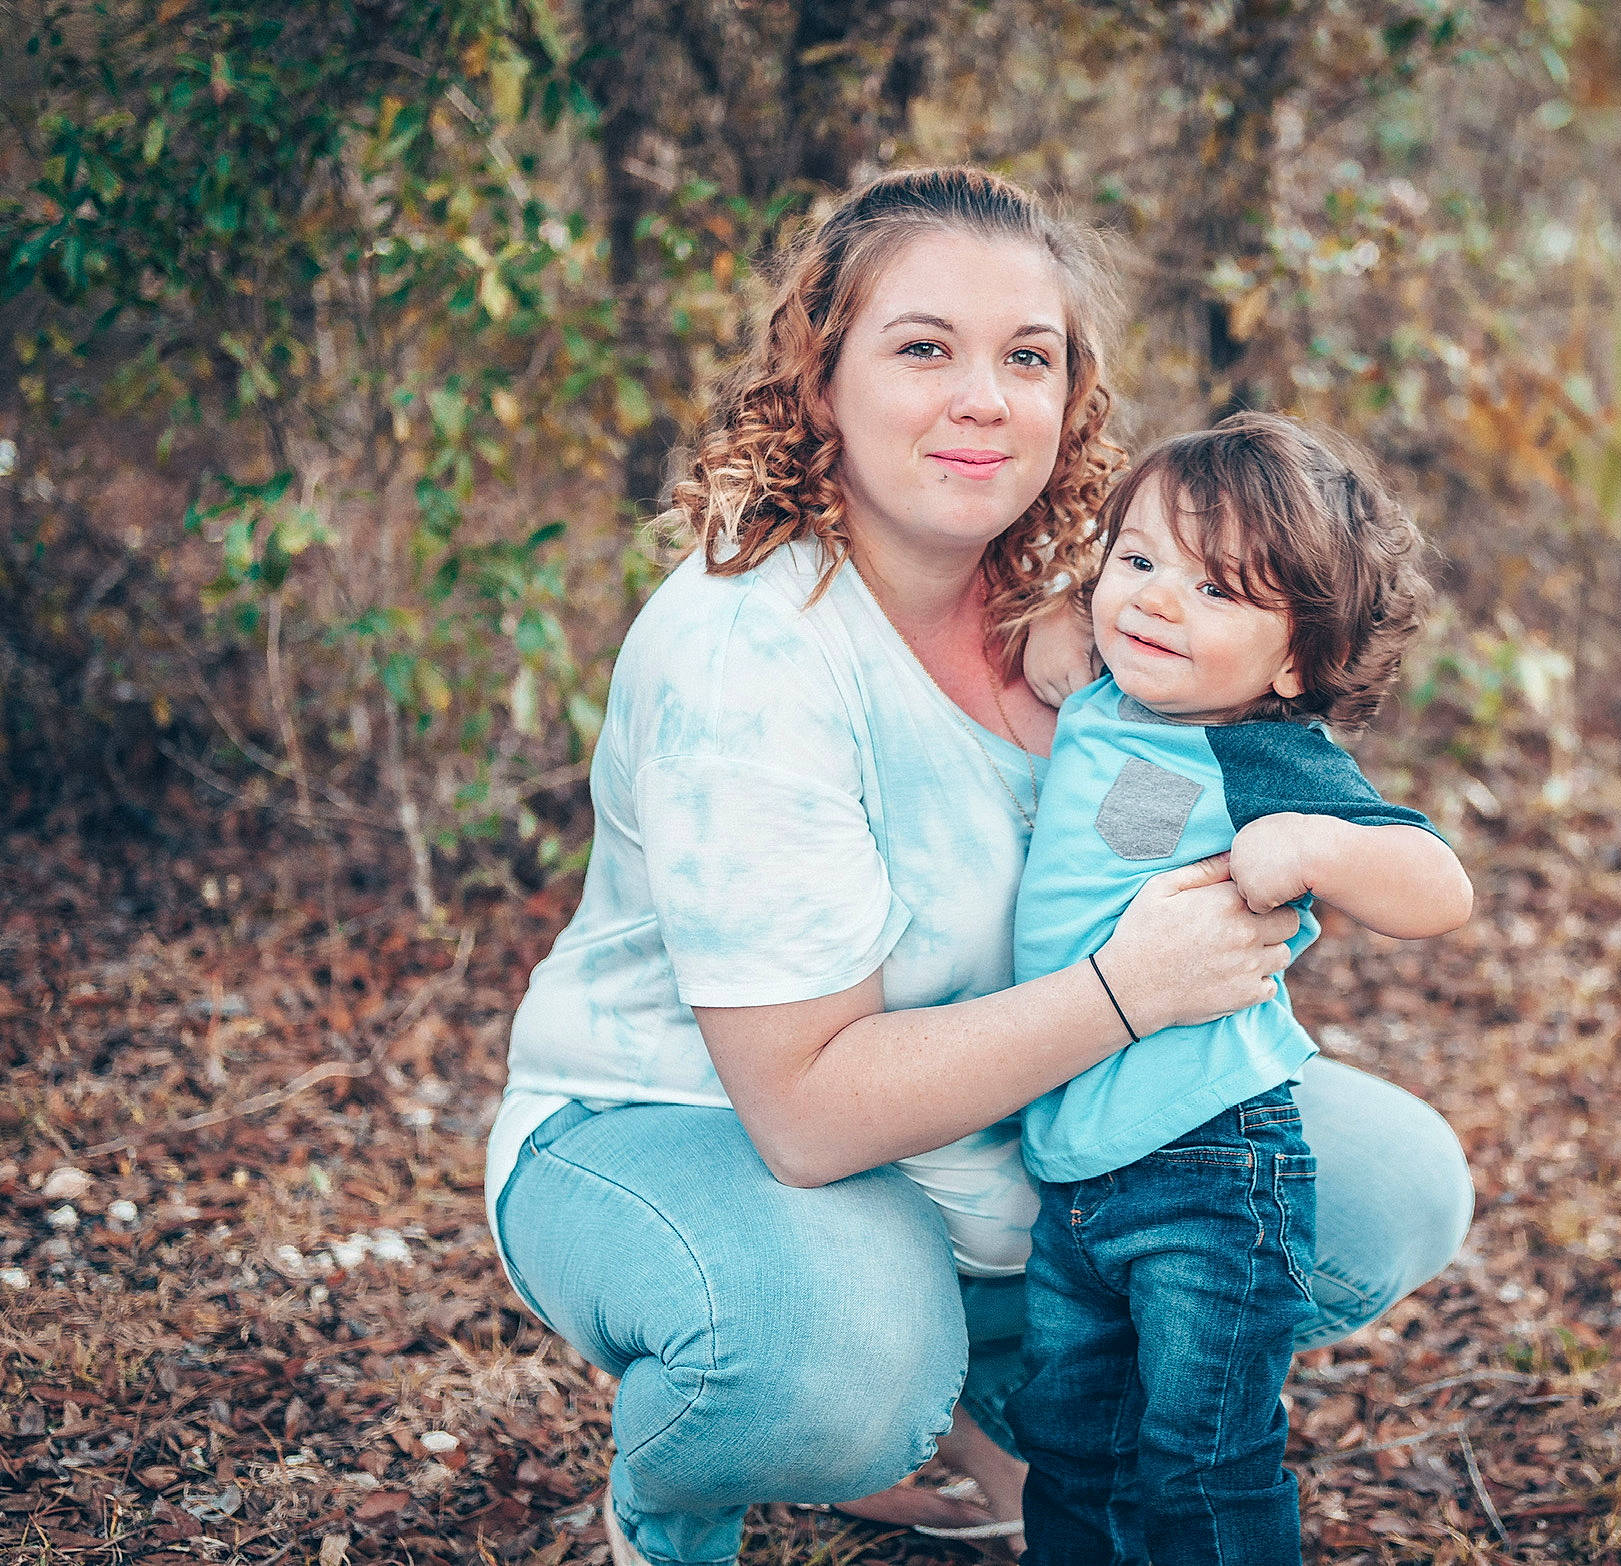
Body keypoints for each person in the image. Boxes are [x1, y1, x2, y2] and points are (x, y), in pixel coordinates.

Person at [485, 167, 1474, 1566]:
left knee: (1378, 1187)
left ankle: (1007, 1395)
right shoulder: (748, 657)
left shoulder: (1092, 603)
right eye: (922, 347)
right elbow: (809, 1118)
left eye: (1028, 356)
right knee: (834, 1364)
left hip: (993, 1133)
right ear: (821, 381)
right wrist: (1131, 993)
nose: (983, 398)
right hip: (689, 1124)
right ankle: (702, 1467)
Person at [1003, 414, 1471, 1565]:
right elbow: (1060, 637)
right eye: (1142, 561)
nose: (1158, 601)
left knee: (1201, 1455)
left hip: (1213, 1164)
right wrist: (1083, 616)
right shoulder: (1112, 692)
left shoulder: (1263, 754)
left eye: (1217, 591)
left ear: (1296, 662)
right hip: (1077, 1169)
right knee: (1071, 1448)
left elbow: (1438, 887)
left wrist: (1315, 847)